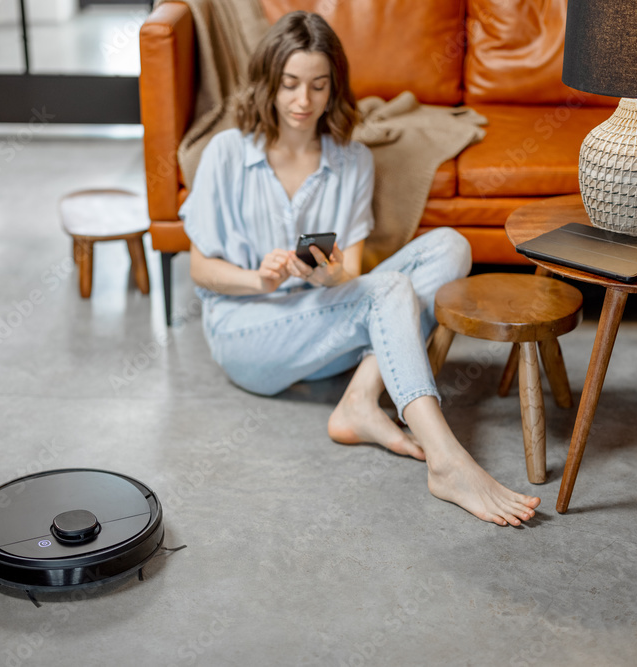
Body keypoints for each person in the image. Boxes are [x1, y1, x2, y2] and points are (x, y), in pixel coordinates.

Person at [180, 11, 540, 526]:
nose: (303, 102)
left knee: (451, 246)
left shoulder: (351, 159)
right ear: (268, 84)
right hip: (246, 334)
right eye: (289, 85)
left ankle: (360, 399)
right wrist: (257, 279)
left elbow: (347, 269)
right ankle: (447, 460)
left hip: (323, 324)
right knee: (388, 288)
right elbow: (200, 269)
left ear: (334, 89)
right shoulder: (226, 154)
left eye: (318, 86)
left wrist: (327, 276)